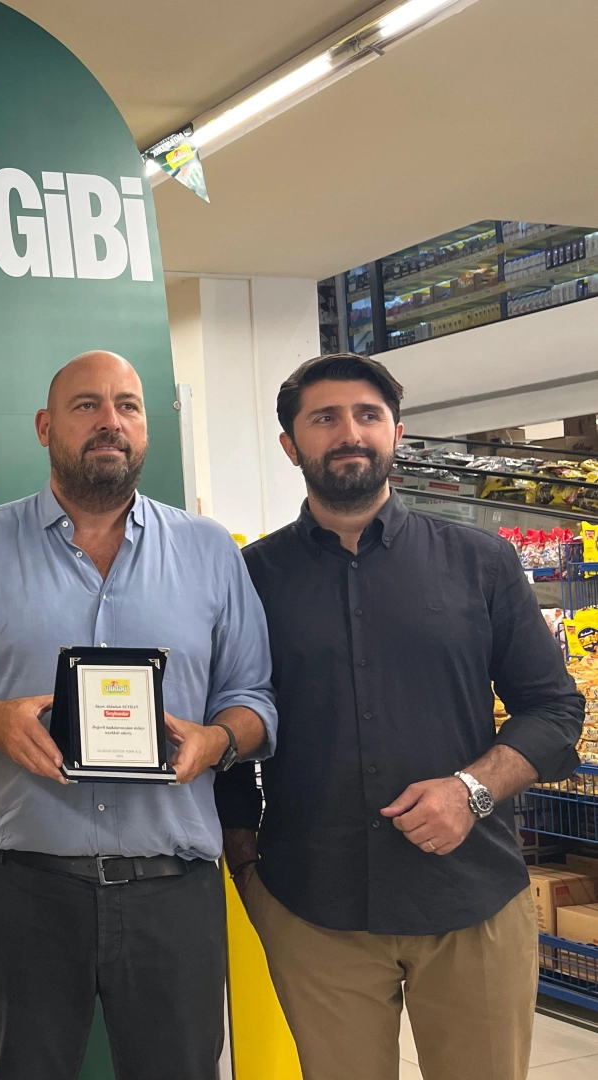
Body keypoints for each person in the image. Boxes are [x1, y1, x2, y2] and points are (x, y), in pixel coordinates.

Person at [216, 353, 583, 1080]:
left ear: (396, 434)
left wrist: (470, 791)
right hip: (313, 907)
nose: (349, 433)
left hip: (473, 898)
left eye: (368, 415)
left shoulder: (481, 562)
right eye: (325, 418)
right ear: (290, 445)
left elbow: (555, 708)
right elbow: (226, 726)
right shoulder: (249, 579)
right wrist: (247, 867)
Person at [0, 351, 277, 1080]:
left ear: (145, 426)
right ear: (45, 426)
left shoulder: (209, 550)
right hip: (23, 887)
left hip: (172, 890)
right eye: (86, 405)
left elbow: (256, 702)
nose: (110, 421)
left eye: (128, 406)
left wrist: (216, 740)